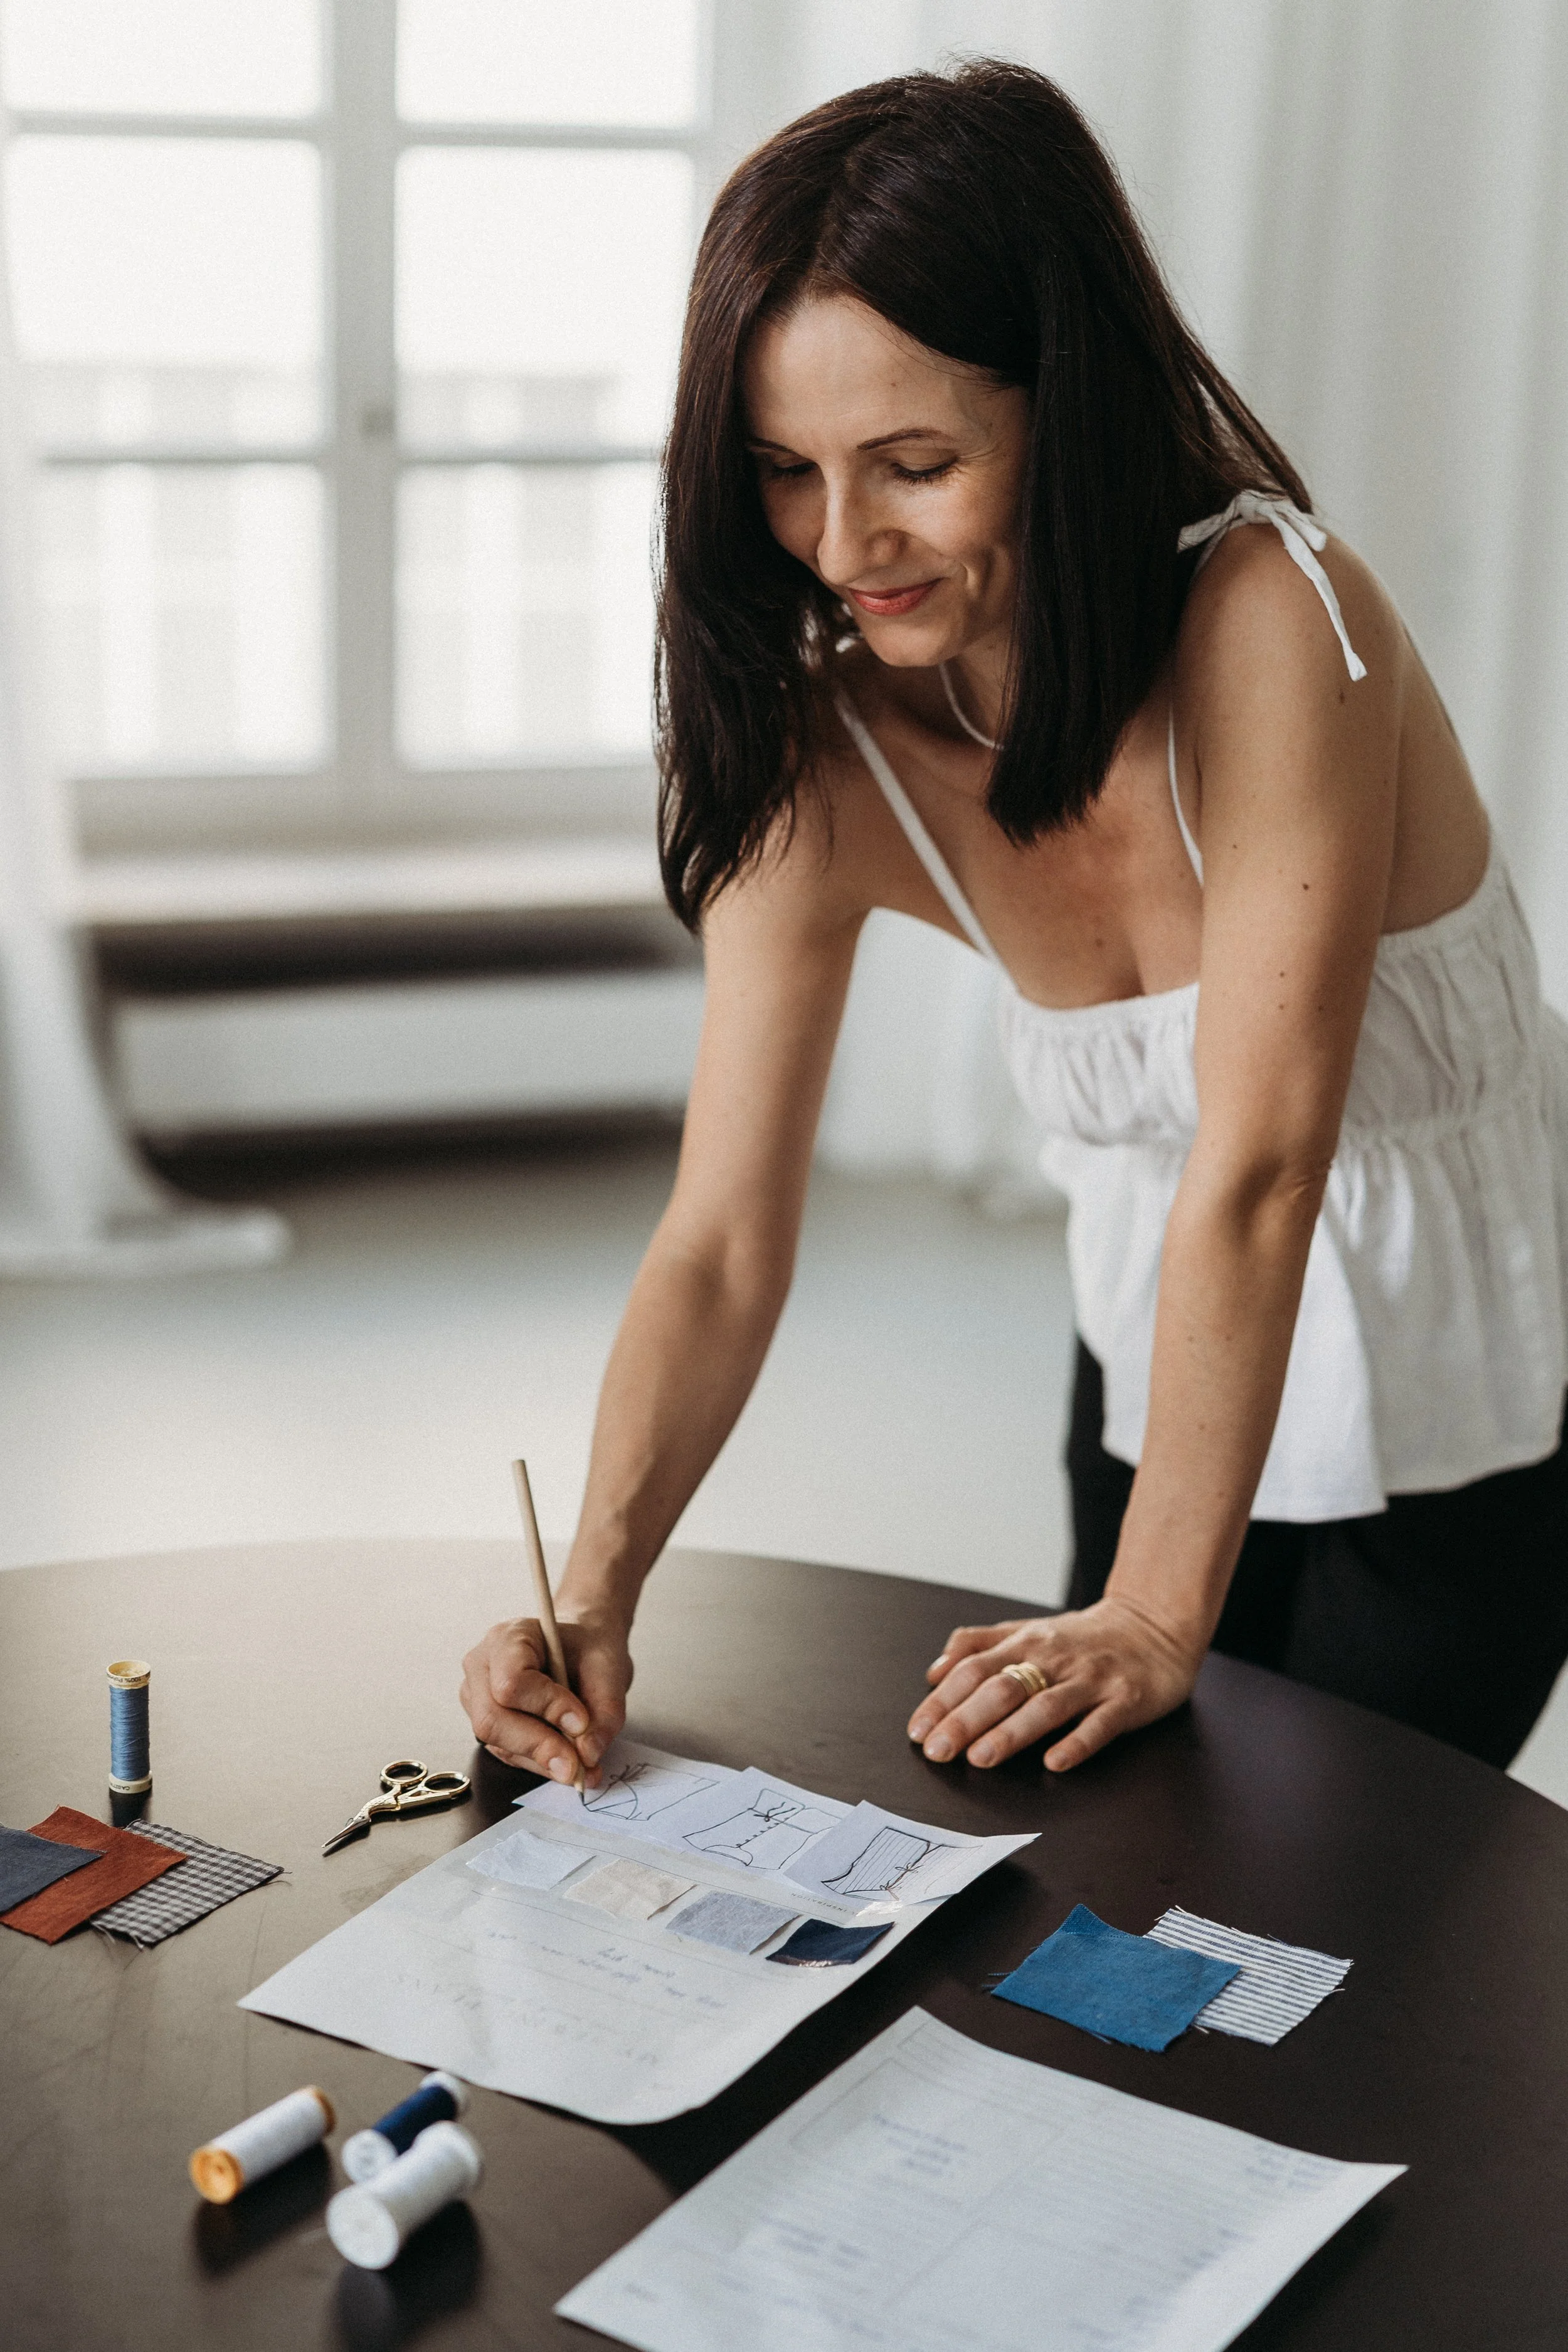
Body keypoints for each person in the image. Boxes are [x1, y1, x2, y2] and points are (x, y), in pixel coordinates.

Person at [462, 63, 1568, 1788]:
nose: (844, 545)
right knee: (1125, 1868)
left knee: (1351, 1902)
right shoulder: (824, 741)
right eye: (780, 470)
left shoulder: (1278, 613)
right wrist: (592, 1593)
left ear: (1068, 412)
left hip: (1470, 1360)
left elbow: (1265, 1164)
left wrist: (1148, 1613)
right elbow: (720, 1239)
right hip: (1160, 1335)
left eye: (912, 463)